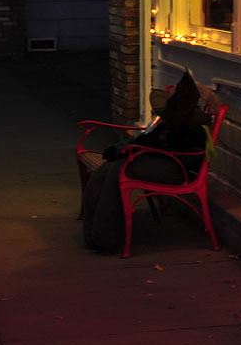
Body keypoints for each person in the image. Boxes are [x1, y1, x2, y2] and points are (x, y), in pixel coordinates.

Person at [81, 69, 208, 252]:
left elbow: (160, 145)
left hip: (175, 168)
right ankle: (95, 233)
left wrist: (130, 149)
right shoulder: (169, 125)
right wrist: (125, 149)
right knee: (106, 170)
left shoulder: (189, 130)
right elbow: (148, 140)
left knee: (118, 170)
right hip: (160, 160)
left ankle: (106, 238)